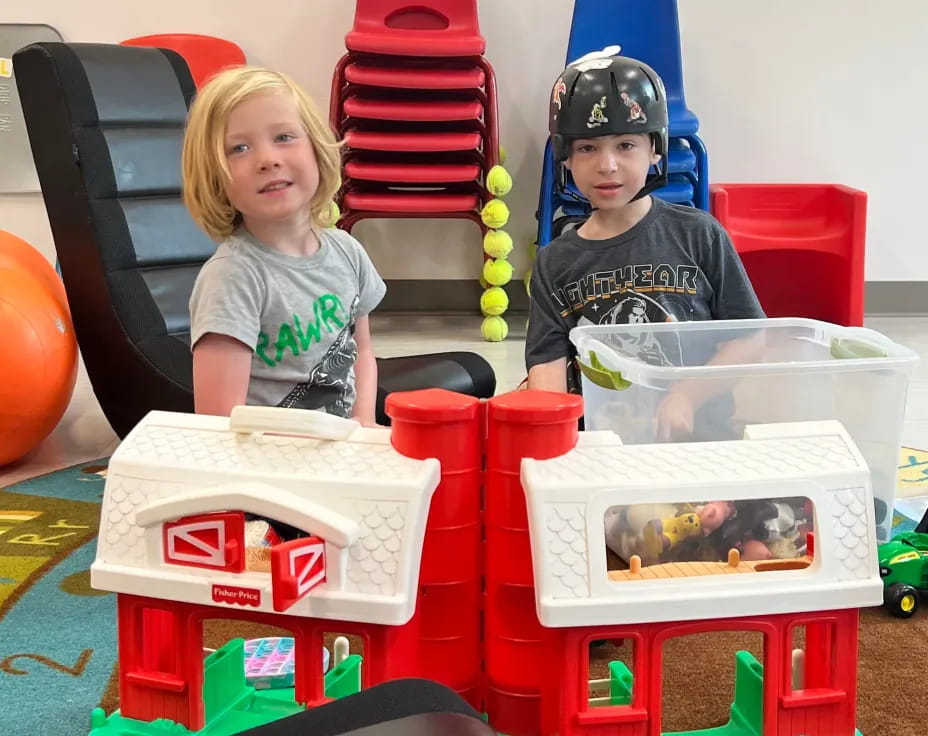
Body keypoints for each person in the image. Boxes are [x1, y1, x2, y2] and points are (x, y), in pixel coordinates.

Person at [526, 51, 765, 440]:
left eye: (625, 146)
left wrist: (686, 396)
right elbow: (547, 367)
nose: (607, 165)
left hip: (704, 438)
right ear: (565, 157)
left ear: (655, 149)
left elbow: (750, 339)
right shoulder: (555, 262)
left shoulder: (699, 234)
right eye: (587, 148)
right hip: (605, 445)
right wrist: (551, 435)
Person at [182, 66, 385, 425]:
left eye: (285, 137)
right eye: (239, 148)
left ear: (317, 149)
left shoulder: (348, 252)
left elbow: (362, 351)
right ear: (214, 175)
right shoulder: (233, 277)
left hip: (341, 445)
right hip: (271, 459)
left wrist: (365, 421)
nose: (268, 160)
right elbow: (218, 420)